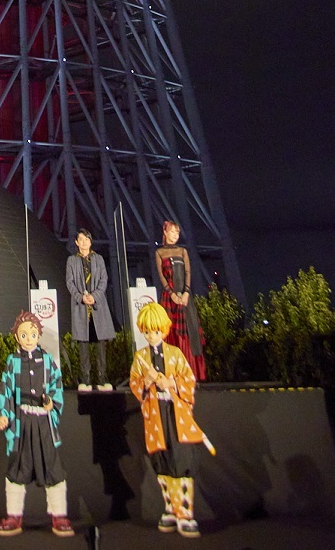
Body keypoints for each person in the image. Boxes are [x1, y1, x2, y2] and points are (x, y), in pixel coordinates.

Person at [129, 301, 215, 539]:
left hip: (175, 413)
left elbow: (189, 379)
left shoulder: (175, 354)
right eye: (147, 331)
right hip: (155, 415)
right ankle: (170, 508)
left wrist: (172, 383)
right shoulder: (140, 357)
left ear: (164, 329)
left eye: (155, 330)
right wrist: (146, 382)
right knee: (162, 460)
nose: (151, 335)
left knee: (181, 459)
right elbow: (135, 384)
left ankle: (185, 512)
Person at [0, 310, 74, 537]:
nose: (28, 339)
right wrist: (3, 414)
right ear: (16, 337)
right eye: (23, 335)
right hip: (21, 422)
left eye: (32, 334)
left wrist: (51, 403)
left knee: (52, 465)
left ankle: (59, 515)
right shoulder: (13, 362)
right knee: (17, 466)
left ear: (39, 335)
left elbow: (57, 386)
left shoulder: (47, 361)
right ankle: (14, 515)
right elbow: (5, 390)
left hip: (43, 424)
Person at [155, 220, 206, 380]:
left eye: (177, 232)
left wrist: (186, 293)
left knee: (189, 332)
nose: (175, 235)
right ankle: (173, 372)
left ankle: (191, 372)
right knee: (170, 333)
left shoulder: (182, 251)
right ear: (165, 233)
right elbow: (161, 276)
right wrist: (172, 294)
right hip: (169, 298)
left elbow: (188, 272)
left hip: (185, 297)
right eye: (172, 232)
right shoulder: (159, 253)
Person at [65, 228, 116, 391]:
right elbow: (70, 282)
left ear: (90, 241)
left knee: (100, 342)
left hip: (98, 305)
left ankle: (102, 377)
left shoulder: (98, 259)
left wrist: (95, 296)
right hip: (80, 306)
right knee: (83, 343)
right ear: (76, 242)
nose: (84, 242)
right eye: (81, 239)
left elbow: (104, 279)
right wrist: (81, 297)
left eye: (86, 239)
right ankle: (85, 378)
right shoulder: (72, 260)